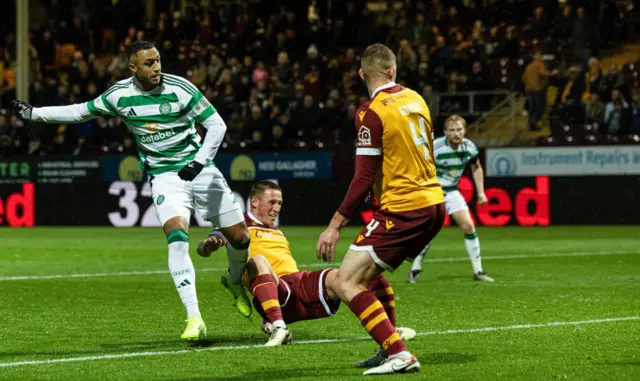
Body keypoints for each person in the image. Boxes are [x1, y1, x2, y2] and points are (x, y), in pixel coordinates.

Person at [11, 40, 252, 341]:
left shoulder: (180, 88)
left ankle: (233, 280)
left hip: (200, 170)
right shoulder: (120, 95)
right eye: (149, 63)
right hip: (165, 177)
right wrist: (35, 114)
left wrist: (200, 162)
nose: (157, 67)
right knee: (177, 237)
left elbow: (216, 125)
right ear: (133, 68)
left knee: (241, 238)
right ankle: (194, 317)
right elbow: (80, 112)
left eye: (159, 60)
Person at [316, 44, 445, 376]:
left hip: (403, 209)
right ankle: (386, 345)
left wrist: (334, 224)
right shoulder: (417, 99)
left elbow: (363, 176)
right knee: (368, 274)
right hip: (434, 204)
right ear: (393, 70)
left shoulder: (369, 111)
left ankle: (400, 354)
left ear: (362, 74)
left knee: (345, 281)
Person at [197, 180, 417, 347]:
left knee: (365, 273)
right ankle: (278, 327)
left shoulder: (277, 232)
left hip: (299, 286)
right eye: (272, 202)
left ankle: (390, 330)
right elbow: (220, 236)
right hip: (277, 290)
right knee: (257, 260)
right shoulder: (240, 225)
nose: (277, 208)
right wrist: (211, 243)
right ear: (254, 202)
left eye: (280, 203)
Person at [408, 115, 494, 283]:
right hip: (432, 192)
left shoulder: (468, 147)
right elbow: (420, 168)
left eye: (459, 129)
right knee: (429, 231)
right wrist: (431, 188)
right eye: (452, 130)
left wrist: (481, 192)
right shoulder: (436, 147)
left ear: (465, 130)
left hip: (452, 191)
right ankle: (415, 269)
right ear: (446, 132)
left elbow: (476, 166)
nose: (456, 133)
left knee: (468, 226)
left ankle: (478, 271)